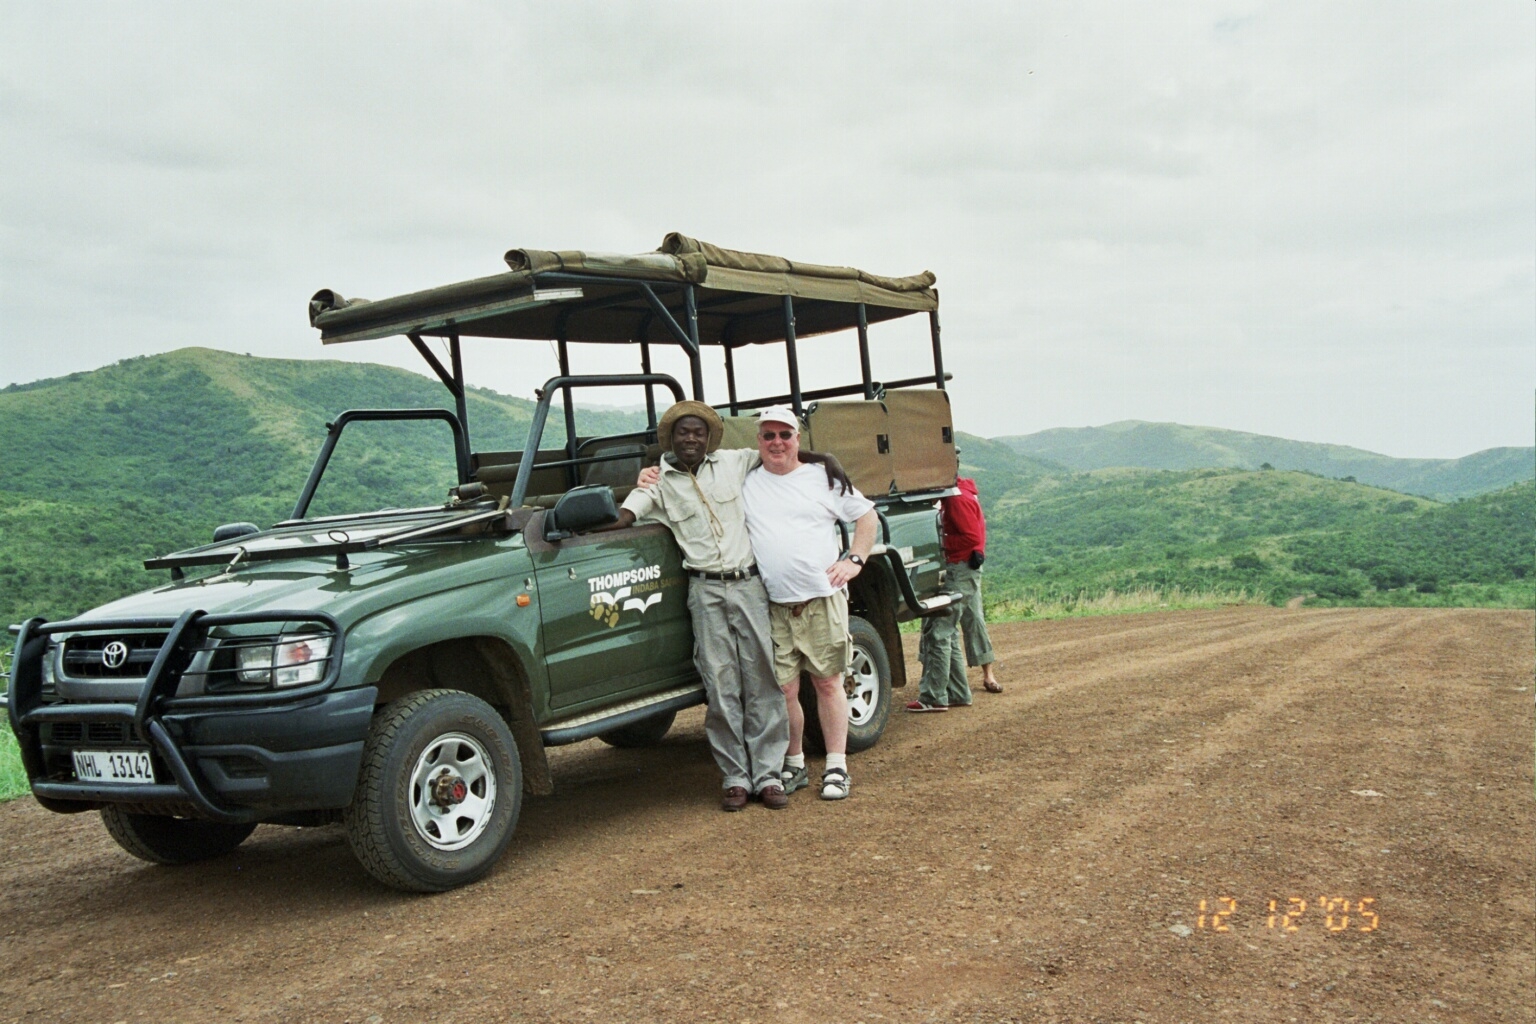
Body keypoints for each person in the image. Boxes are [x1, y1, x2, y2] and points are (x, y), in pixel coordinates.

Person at [608, 401, 789, 812]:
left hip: (748, 584)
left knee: (762, 678)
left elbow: (780, 454)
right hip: (704, 591)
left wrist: (826, 461)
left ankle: (769, 774)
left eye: (698, 432)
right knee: (720, 684)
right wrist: (584, 519)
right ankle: (735, 777)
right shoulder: (657, 483)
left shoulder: (734, 462)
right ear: (671, 438)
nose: (691, 438)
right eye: (683, 432)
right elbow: (624, 516)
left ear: (709, 438)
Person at [741, 406, 878, 802]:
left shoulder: (823, 478)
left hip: (822, 599)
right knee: (784, 691)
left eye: (785, 434)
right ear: (759, 441)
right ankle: (795, 763)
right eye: (768, 436)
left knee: (828, 682)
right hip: (775, 605)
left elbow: (867, 517)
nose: (777, 443)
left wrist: (854, 560)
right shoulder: (748, 483)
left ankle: (837, 766)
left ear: (798, 438)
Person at [908, 476, 1001, 712]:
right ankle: (958, 692)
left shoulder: (956, 500)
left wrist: (944, 546)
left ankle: (933, 697)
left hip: (959, 568)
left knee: (939, 631)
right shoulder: (963, 494)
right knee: (950, 630)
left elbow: (971, 536)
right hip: (966, 569)